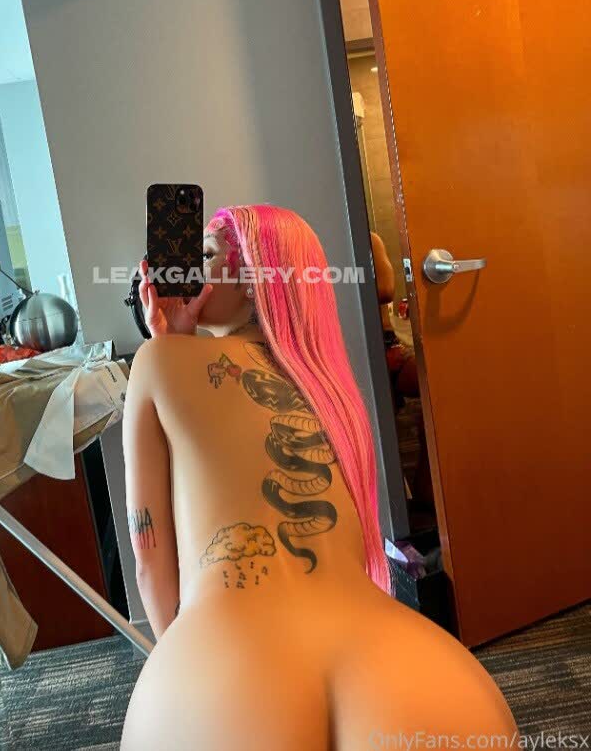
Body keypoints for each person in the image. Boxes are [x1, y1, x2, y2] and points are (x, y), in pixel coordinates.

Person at [120, 205, 517, 751]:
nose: (187, 269)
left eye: (206, 254)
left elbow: (149, 561)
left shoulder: (158, 360)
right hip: (393, 653)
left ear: (255, 278)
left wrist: (178, 658)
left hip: (226, 660)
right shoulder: (330, 386)